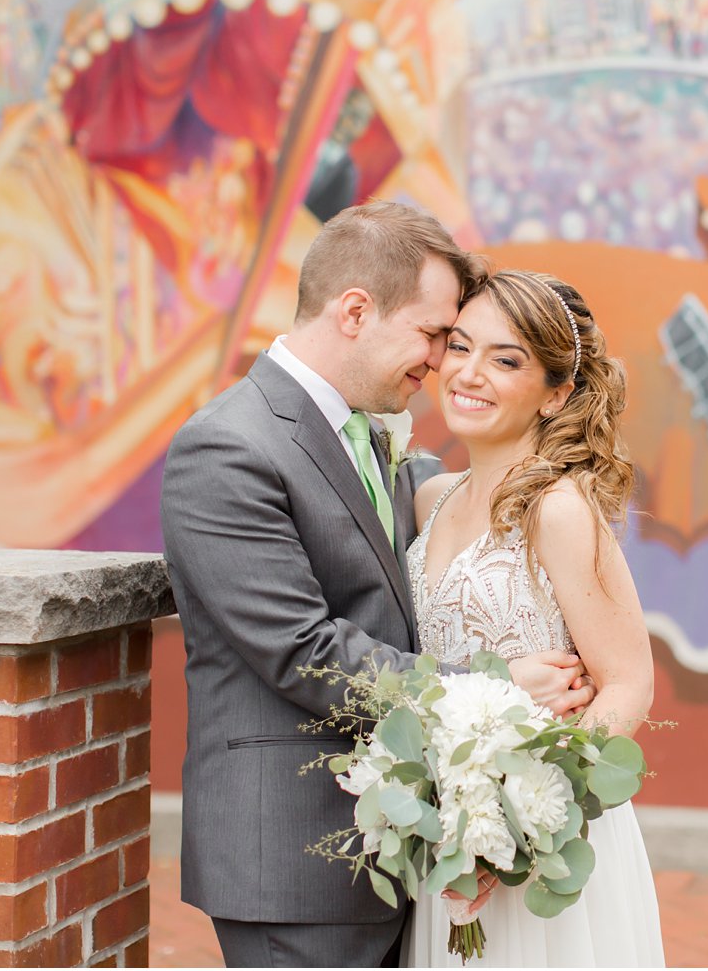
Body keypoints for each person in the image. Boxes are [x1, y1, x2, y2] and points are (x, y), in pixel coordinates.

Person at [160, 203, 596, 968]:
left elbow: (465, 520)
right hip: (295, 856)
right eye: (436, 335)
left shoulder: (375, 433)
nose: (441, 362)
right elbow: (304, 652)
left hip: (400, 854)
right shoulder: (228, 448)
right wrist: (494, 687)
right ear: (356, 311)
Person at [404, 269, 665, 966]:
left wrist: (522, 823)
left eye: (506, 359)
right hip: (453, 839)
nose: (469, 373)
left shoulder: (558, 509)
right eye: (460, 347)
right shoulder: (431, 500)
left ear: (557, 393)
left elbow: (629, 684)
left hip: (540, 846)